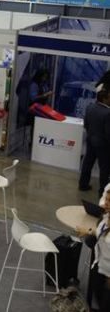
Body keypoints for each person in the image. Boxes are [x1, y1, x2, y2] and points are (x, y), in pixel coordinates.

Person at [76, 183, 110, 312]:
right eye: (106, 199)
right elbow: (101, 232)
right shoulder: (106, 217)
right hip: (100, 267)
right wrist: (89, 231)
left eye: (109, 201)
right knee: (99, 300)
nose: (105, 204)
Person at [81, 89, 110, 193]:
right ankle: (103, 191)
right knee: (104, 168)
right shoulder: (108, 113)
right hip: (103, 145)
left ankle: (83, 185)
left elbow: (86, 125)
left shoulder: (90, 107)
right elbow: (108, 133)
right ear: (104, 99)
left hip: (91, 140)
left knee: (87, 163)